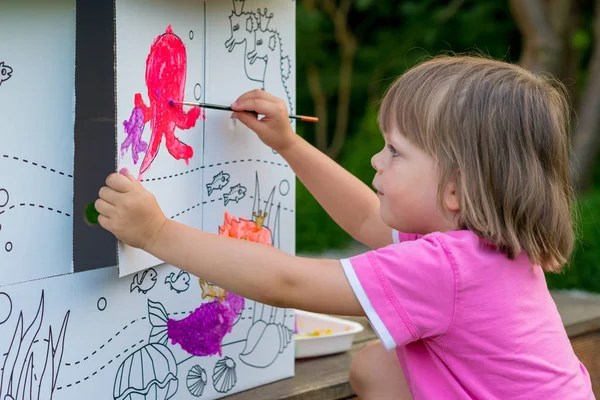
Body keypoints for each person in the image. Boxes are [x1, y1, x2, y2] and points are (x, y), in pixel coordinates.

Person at [95, 55, 595, 399]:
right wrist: (287, 144)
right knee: (376, 364)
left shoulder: (445, 268)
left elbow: (285, 281)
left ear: (456, 190)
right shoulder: (478, 249)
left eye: (395, 151)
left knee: (380, 361)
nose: (377, 160)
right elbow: (363, 216)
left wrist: (156, 232)